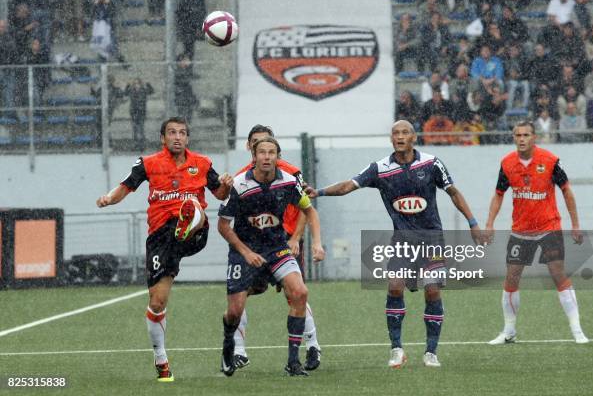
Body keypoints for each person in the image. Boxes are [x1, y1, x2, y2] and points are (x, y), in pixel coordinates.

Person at [306, 120, 482, 369]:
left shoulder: (431, 163)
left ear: (414, 138)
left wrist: (473, 223)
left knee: (432, 290)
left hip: (431, 238)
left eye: (405, 132)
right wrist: (319, 192)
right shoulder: (380, 168)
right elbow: (348, 185)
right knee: (395, 287)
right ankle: (397, 349)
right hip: (402, 240)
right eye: (396, 133)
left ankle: (431, 352)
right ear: (391, 139)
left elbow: (453, 192)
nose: (400, 137)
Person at [96, 117, 233, 381]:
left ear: (188, 138)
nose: (177, 137)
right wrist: (109, 199)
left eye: (182, 133)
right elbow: (126, 186)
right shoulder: (148, 163)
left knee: (193, 207)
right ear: (163, 138)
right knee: (157, 302)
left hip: (194, 231)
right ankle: (161, 359)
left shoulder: (202, 164)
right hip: (160, 237)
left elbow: (220, 195)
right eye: (172, 133)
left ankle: (188, 223)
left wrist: (226, 184)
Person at [218, 136, 325, 377]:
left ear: (278, 156)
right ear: (254, 157)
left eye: (271, 152)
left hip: (276, 248)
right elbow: (223, 225)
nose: (267, 157)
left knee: (300, 292)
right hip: (244, 251)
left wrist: (316, 243)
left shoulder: (289, 182)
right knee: (234, 311)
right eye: (262, 152)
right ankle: (228, 345)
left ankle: (293, 361)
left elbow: (309, 211)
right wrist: (246, 252)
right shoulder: (239, 185)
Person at [485, 121, 589, 345]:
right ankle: (509, 331)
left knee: (558, 274)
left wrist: (575, 224)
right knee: (511, 277)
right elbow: (498, 194)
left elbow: (567, 191)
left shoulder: (550, 161)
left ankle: (577, 329)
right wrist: (489, 223)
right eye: (517, 135)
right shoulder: (507, 163)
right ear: (513, 138)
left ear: (534, 137)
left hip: (548, 227)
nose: (521, 139)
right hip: (520, 230)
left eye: (526, 135)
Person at [125, 78, 155, 151]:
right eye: (135, 84)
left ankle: (141, 145)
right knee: (135, 129)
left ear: (140, 84)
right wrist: (127, 86)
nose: (136, 85)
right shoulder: (132, 91)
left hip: (141, 112)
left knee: (141, 129)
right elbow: (125, 93)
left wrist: (148, 85)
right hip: (134, 112)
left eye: (138, 83)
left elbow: (151, 91)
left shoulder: (143, 90)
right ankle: (136, 145)